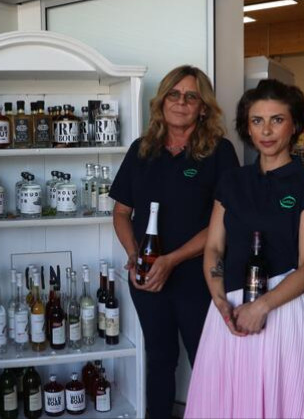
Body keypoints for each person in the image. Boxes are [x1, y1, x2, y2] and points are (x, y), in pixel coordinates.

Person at [184, 79, 304, 418]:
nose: (266, 131)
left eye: (277, 120)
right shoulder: (232, 182)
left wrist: (261, 307)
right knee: (222, 403)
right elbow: (214, 248)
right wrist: (220, 302)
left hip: (281, 311)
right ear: (246, 127)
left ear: (295, 125)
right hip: (228, 311)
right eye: (257, 120)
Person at [109, 65, 239, 418]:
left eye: (191, 96)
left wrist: (172, 259)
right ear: (162, 101)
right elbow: (121, 213)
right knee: (160, 359)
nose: (181, 102)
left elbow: (225, 221)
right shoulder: (141, 150)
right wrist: (135, 256)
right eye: (174, 94)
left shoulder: (219, 152)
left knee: (206, 359)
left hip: (199, 278)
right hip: (148, 278)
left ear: (203, 107)